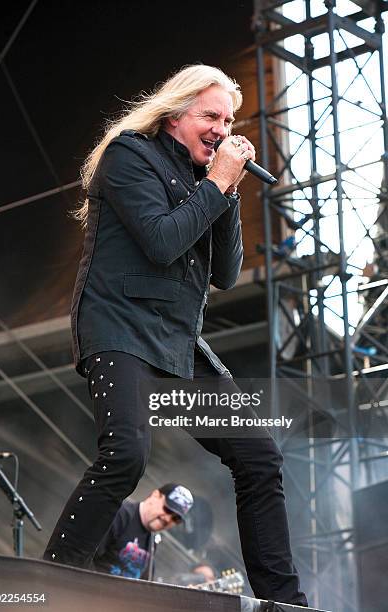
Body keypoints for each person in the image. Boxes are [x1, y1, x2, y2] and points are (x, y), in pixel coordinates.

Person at [43, 64, 307, 607]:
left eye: (229, 118)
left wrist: (226, 193)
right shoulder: (128, 156)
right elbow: (162, 242)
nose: (222, 126)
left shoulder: (205, 178)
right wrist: (216, 185)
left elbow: (226, 274)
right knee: (126, 454)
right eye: (211, 115)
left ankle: (283, 599)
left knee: (258, 456)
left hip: (176, 341)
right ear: (174, 114)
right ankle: (50, 582)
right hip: (118, 324)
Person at [92, 483, 193, 579]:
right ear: (155, 495)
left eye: (176, 519)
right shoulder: (120, 514)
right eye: (168, 510)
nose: (168, 519)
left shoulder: (153, 540)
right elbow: (84, 556)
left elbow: (145, 584)